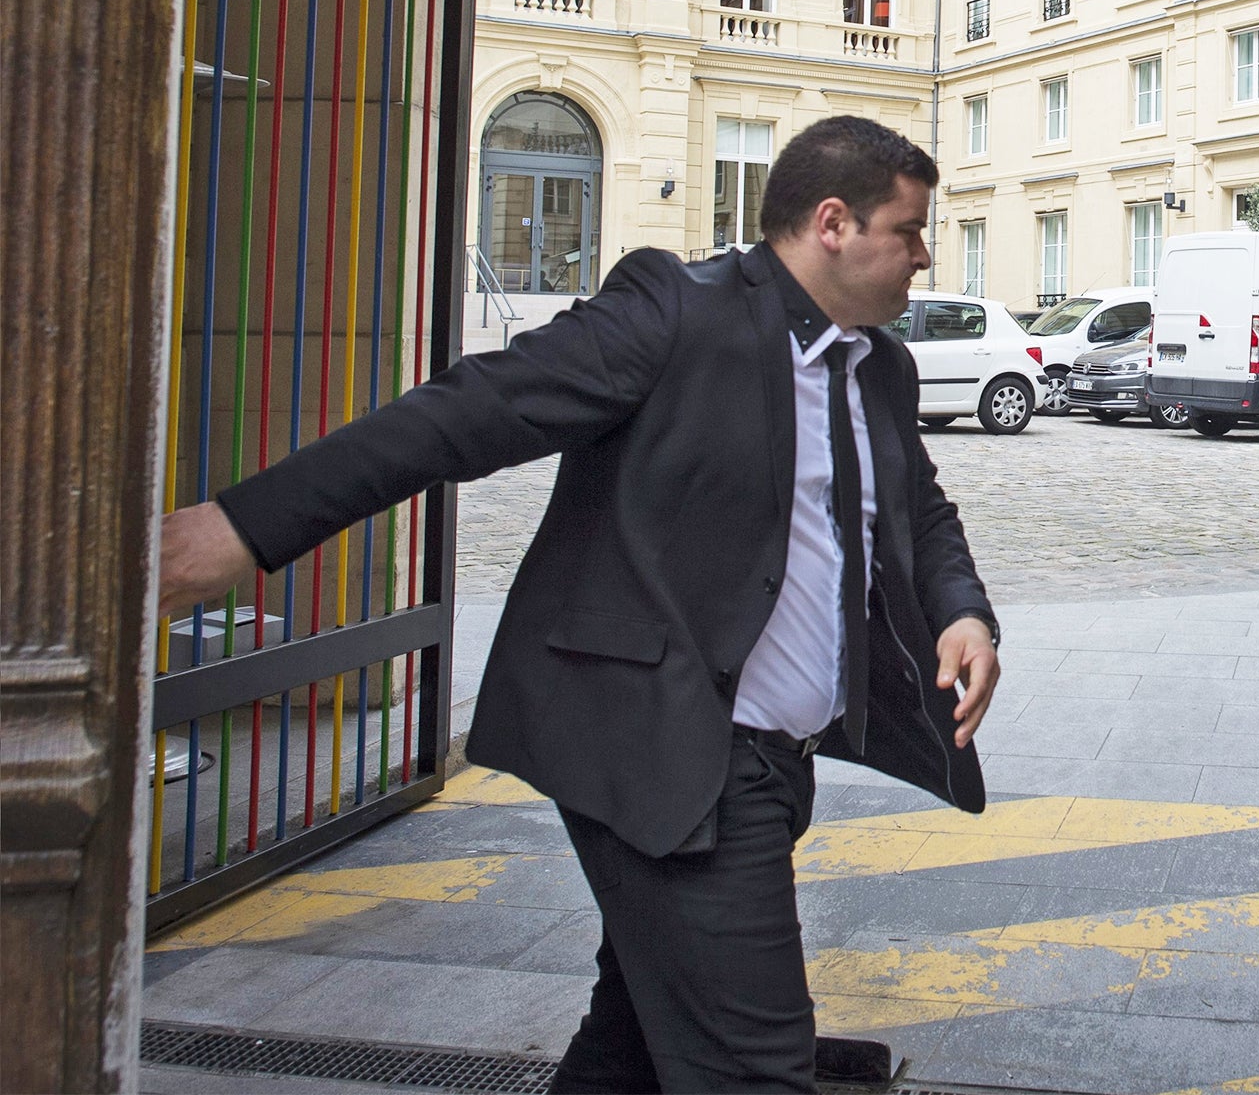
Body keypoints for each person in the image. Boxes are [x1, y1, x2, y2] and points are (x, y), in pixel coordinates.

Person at [158, 116, 1003, 1093]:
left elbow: (915, 507)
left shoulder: (878, 368)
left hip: (771, 765)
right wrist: (242, 527)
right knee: (753, 1068)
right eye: (908, 230)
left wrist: (961, 611)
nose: (922, 255)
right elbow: (464, 415)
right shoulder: (673, 311)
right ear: (831, 224)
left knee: (632, 1044)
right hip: (671, 756)